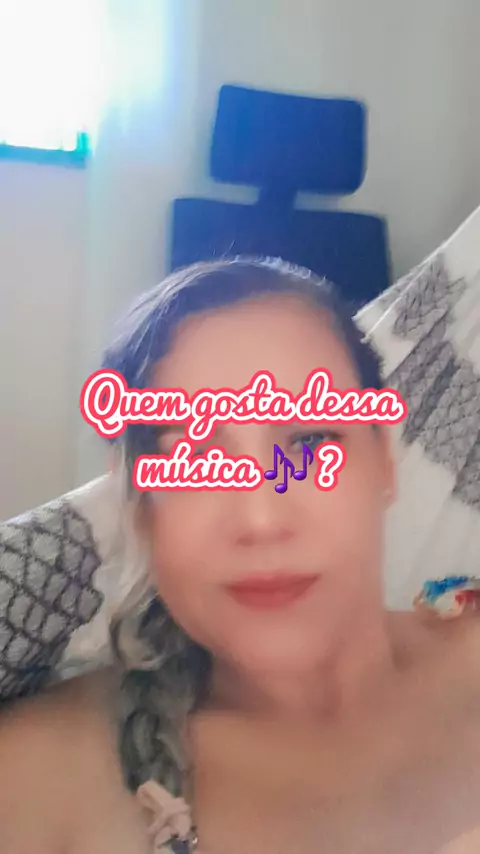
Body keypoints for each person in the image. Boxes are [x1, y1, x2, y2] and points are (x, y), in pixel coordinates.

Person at [1, 257, 480, 854]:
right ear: (139, 505)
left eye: (309, 441)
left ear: (384, 460)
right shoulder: (39, 780)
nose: (261, 519)